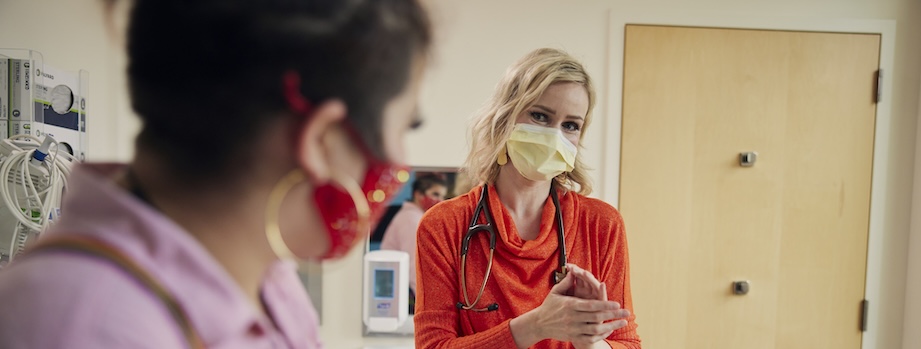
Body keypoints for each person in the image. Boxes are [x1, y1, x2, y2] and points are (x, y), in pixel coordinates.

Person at [0, 0, 431, 348]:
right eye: (404, 126)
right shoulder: (85, 323)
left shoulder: (270, 283)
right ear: (322, 140)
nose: (400, 158)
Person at [414, 48, 641, 349]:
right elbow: (432, 346)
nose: (555, 136)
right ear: (505, 116)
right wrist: (536, 325)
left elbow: (627, 342)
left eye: (571, 125)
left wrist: (590, 338)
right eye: (540, 116)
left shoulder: (601, 224)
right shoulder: (446, 225)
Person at [381, 173, 448, 295]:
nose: (440, 201)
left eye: (443, 196)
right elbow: (414, 265)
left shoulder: (415, 217)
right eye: (435, 194)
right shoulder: (411, 220)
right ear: (418, 194)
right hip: (401, 290)